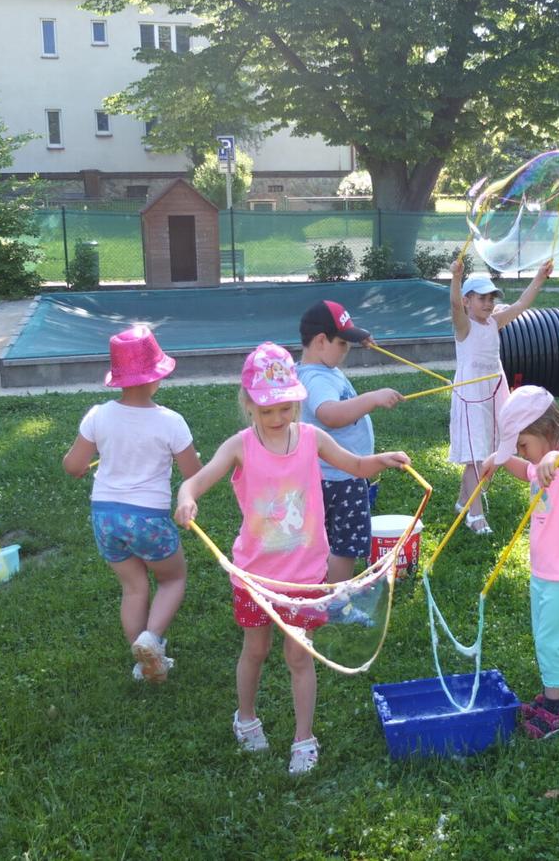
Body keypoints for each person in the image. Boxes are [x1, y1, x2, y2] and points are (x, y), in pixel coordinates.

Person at [174, 342, 409, 775]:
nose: (278, 418)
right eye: (267, 411)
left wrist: (382, 460)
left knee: (300, 657)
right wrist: (186, 499)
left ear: (297, 402)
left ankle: (304, 737)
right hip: (254, 577)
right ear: (249, 407)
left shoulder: (313, 438)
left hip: (305, 577)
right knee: (256, 649)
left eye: (285, 408)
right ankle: (245, 718)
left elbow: (355, 465)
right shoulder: (240, 446)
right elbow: (196, 481)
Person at [63, 325, 201, 683]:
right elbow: (193, 474)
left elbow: (74, 466)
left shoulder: (98, 415)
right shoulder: (171, 422)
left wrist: (89, 462)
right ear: (156, 378)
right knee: (172, 579)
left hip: (106, 518)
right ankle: (151, 639)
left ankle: (142, 663)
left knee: (134, 587)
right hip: (148, 519)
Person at [481, 385, 559, 739]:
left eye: (523, 445)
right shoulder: (537, 465)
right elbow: (526, 472)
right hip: (543, 570)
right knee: (542, 637)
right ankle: (548, 699)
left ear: (545, 432)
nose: (522, 453)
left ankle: (555, 711)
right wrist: (501, 461)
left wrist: (558, 459)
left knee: (550, 642)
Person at [296, 300, 404, 584]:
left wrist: (355, 337)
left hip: (330, 475)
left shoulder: (316, 368)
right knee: (345, 546)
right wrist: (372, 399)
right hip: (341, 477)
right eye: (343, 343)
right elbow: (330, 414)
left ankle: (320, 592)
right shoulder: (318, 379)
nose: (347, 350)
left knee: (326, 541)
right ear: (321, 341)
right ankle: (335, 599)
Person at [449, 257, 553, 534]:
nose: (488, 303)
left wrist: (539, 279)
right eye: (482, 298)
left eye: (491, 298)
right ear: (467, 301)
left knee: (488, 449)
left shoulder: (493, 323)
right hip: (472, 395)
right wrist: (456, 278)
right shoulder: (464, 327)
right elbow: (454, 306)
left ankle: (463, 501)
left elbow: (521, 305)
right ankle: (475, 515)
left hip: (494, 390)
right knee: (476, 453)